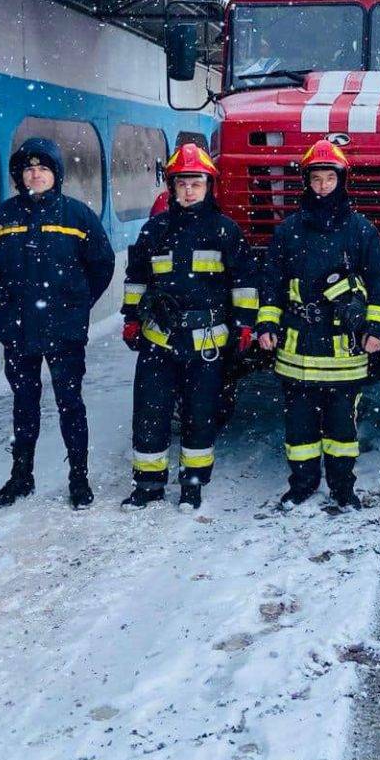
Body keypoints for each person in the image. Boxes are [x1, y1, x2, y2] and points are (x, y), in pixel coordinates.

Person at [0, 138, 115, 510]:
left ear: (56, 174)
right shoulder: (2, 218)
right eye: (28, 169)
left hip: (64, 331)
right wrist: (4, 295)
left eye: (43, 168)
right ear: (19, 176)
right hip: (18, 329)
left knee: (71, 404)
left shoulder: (78, 217)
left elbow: (102, 266)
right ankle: (21, 477)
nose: (35, 175)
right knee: (24, 404)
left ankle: (79, 478)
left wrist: (77, 304)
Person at [120, 143, 258, 512]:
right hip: (159, 340)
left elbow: (243, 282)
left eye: (195, 183)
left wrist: (245, 325)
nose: (188, 190)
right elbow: (137, 279)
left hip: (206, 343)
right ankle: (148, 486)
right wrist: (132, 318)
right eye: (182, 183)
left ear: (208, 186)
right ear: (171, 186)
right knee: (150, 413)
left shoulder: (226, 231)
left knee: (200, 416)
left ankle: (192, 486)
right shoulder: (154, 231)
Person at [255, 140, 380, 511]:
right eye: (316, 179)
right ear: (307, 183)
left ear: (341, 181)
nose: (322, 186)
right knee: (299, 427)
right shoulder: (288, 232)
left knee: (342, 429)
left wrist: (375, 329)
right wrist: (267, 323)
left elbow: (379, 281)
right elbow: (272, 283)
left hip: (343, 347)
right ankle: (301, 486)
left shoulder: (361, 231)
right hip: (298, 345)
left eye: (329, 178)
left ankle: (343, 489)